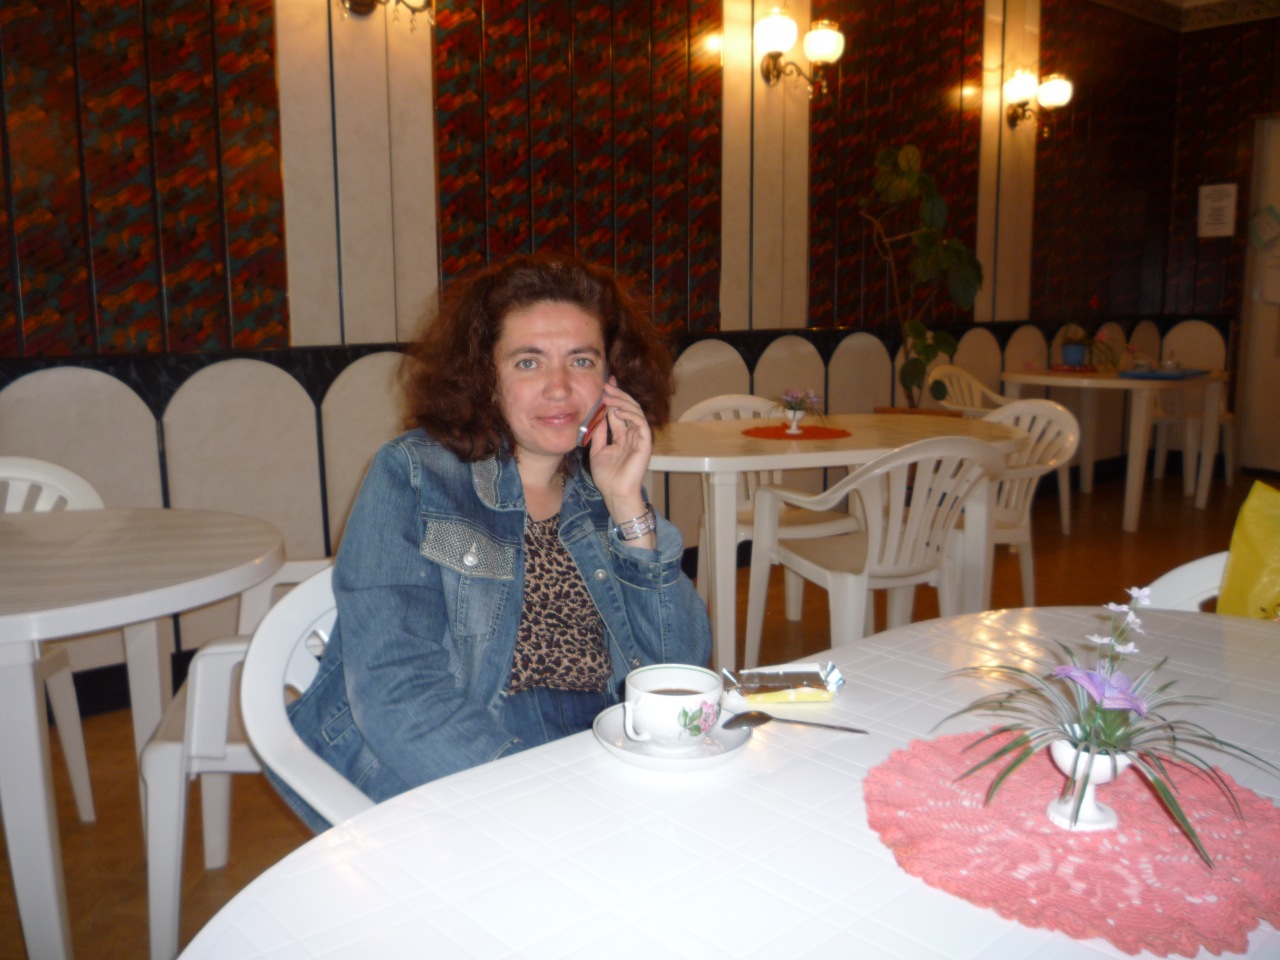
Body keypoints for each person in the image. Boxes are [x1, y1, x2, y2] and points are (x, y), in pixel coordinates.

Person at [274, 252, 712, 831]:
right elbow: (395, 686)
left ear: (612, 379)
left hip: (601, 737)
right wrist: (527, 792)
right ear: (485, 375)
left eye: (581, 360)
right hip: (469, 743)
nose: (559, 388)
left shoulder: (601, 483)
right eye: (528, 362)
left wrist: (628, 503)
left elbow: (679, 669)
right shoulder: (416, 475)